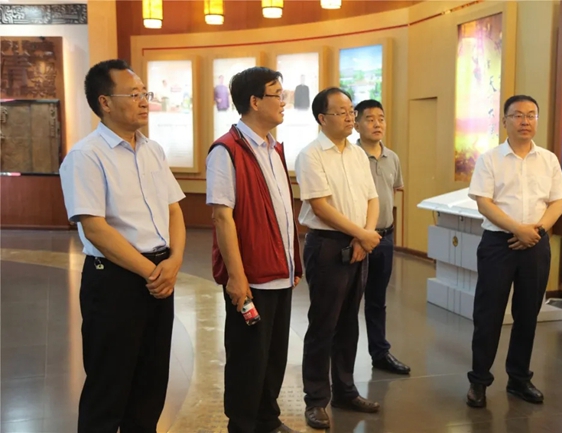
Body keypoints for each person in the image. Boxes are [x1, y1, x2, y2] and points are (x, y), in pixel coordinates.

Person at [59, 59, 186, 433]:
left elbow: (173, 210)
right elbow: (95, 229)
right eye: (133, 94)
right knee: (109, 387)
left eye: (145, 93)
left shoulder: (152, 150)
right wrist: (153, 273)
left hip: (159, 275)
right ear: (105, 102)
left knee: (151, 383)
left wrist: (175, 261)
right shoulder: (86, 156)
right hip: (115, 280)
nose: (144, 101)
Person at [207, 66, 303, 433]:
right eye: (277, 95)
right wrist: (236, 277)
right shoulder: (226, 151)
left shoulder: (274, 148)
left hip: (280, 272)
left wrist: (293, 264)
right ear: (255, 101)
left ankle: (267, 420)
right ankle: (243, 425)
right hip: (251, 278)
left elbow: (281, 212)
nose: (283, 102)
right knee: (248, 359)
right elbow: (222, 217)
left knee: (274, 356)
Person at [465, 95, 562, 409]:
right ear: (505, 121)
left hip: (536, 244)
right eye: (518, 115)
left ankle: (519, 378)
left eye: (531, 115)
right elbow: (484, 202)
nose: (525, 121)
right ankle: (479, 381)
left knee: (527, 314)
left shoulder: (548, 159)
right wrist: (517, 229)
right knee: (489, 314)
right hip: (498, 245)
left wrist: (535, 232)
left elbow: (557, 202)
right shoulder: (490, 159)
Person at [295, 87, 382, 430]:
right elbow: (320, 207)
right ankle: (316, 400)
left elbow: (372, 198)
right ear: (322, 118)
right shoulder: (311, 155)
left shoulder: (358, 153)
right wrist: (361, 234)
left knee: (348, 321)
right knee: (324, 323)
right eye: (342, 112)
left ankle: (345, 390)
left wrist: (366, 235)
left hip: (361, 242)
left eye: (351, 111)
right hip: (328, 246)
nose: (350, 117)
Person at [353, 99, 410, 375]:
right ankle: (341, 358)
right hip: (356, 238)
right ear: (356, 124)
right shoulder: (350, 157)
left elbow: (394, 191)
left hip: (384, 238)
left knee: (377, 300)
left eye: (381, 118)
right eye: (370, 119)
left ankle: (380, 353)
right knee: (348, 301)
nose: (377, 124)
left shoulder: (392, 158)